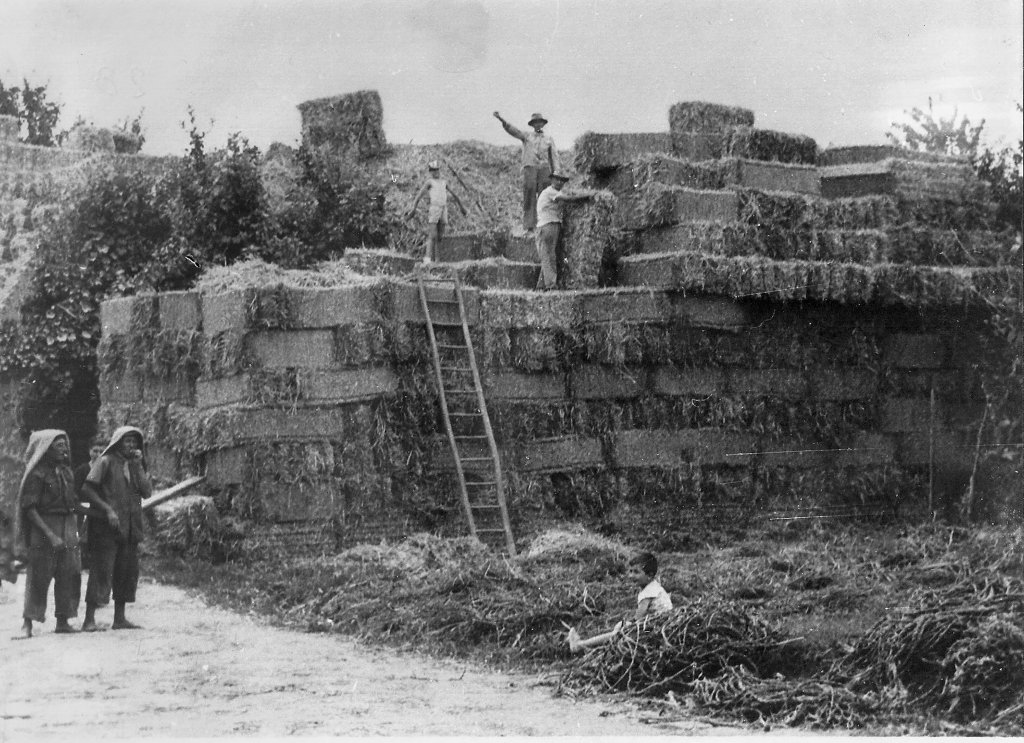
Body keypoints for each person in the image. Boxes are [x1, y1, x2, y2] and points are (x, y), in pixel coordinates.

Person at [81, 426, 152, 632]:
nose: (131, 445)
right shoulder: (105, 462)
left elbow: (146, 492)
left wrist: (138, 466)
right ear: (118, 442)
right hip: (106, 528)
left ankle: (119, 618)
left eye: (134, 442)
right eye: (127, 441)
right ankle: (89, 620)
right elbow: (87, 488)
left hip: (129, 528)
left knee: (126, 571)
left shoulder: (135, 465)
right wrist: (108, 510)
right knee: (102, 571)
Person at [13, 429, 82, 638]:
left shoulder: (67, 472)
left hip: (68, 525)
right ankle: (28, 623)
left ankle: (63, 620)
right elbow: (30, 508)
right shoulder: (36, 474)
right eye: (58, 446)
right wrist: (50, 535)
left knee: (69, 572)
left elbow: (73, 502)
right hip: (44, 526)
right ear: (45, 450)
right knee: (38, 576)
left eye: (65, 445)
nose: (64, 449)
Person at [567, 552, 673, 653]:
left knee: (617, 633)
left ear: (649, 575)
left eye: (636, 572)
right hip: (663, 626)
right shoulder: (654, 586)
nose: (631, 576)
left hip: (654, 629)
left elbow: (638, 617)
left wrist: (624, 625)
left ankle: (580, 645)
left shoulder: (648, 593)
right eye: (630, 571)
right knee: (620, 627)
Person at [493, 111, 559, 233]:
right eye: (535, 123)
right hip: (530, 168)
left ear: (543, 124)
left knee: (544, 197)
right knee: (529, 195)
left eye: (540, 123)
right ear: (532, 125)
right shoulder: (527, 136)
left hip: (544, 170)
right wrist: (502, 120)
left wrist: (556, 173)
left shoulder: (549, 139)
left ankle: (543, 223)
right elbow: (514, 131)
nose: (538, 125)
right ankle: (529, 226)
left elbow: (554, 157)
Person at [535, 172, 593, 290]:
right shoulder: (550, 192)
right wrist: (587, 196)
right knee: (548, 255)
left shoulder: (555, 192)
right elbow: (567, 198)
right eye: (558, 180)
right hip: (547, 225)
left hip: (553, 225)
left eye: (563, 181)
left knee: (548, 254)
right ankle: (551, 285)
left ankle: (541, 286)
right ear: (552, 180)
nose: (560, 183)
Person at [405, 160, 467, 264]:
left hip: (443, 209)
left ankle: (438, 259)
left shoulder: (444, 182)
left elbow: (454, 194)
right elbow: (418, 196)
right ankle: (427, 258)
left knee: (440, 236)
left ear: (439, 170)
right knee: (432, 234)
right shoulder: (430, 182)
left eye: (437, 170)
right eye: (433, 170)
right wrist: (413, 208)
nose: (436, 172)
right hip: (434, 208)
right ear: (430, 172)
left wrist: (461, 206)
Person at [74, 438, 105, 567]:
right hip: (83, 507)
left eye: (100, 451)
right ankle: (82, 560)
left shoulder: (105, 470)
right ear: (89, 452)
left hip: (98, 507)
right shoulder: (82, 469)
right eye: (95, 451)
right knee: (81, 534)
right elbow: (76, 489)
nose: (97, 454)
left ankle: (94, 560)